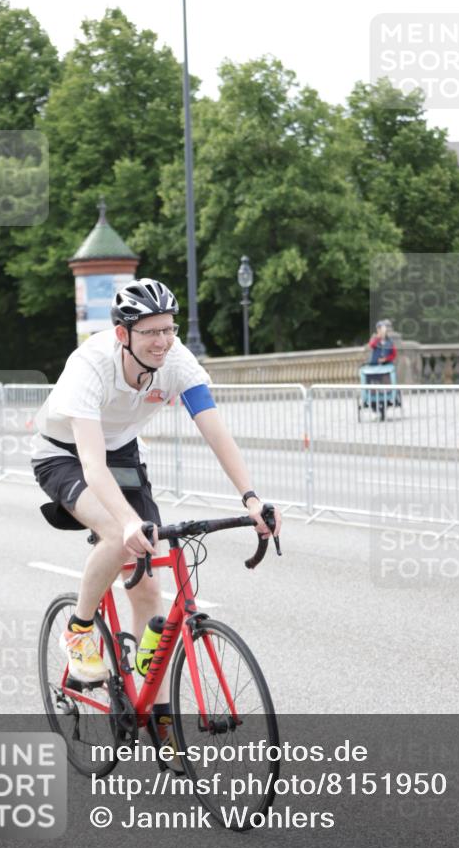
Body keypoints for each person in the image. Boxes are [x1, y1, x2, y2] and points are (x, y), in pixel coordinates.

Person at [31, 277, 281, 735]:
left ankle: (159, 713)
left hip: (124, 453)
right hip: (64, 454)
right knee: (116, 534)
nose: (163, 341)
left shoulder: (176, 359)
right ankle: (80, 629)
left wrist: (251, 496)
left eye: (169, 328)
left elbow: (214, 429)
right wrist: (126, 522)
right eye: (151, 332)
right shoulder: (90, 364)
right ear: (123, 334)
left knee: (148, 582)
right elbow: (90, 461)